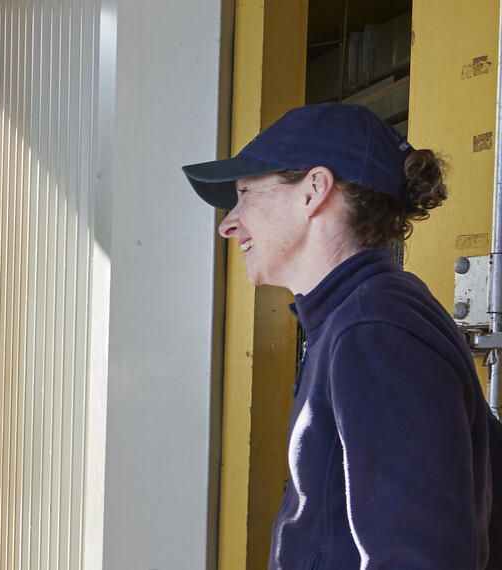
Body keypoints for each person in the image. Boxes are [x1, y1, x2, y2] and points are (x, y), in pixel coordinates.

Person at [183, 102, 502, 568]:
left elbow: (420, 557)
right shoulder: (358, 317)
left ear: (313, 189)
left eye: (246, 193)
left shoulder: (375, 328)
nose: (229, 223)